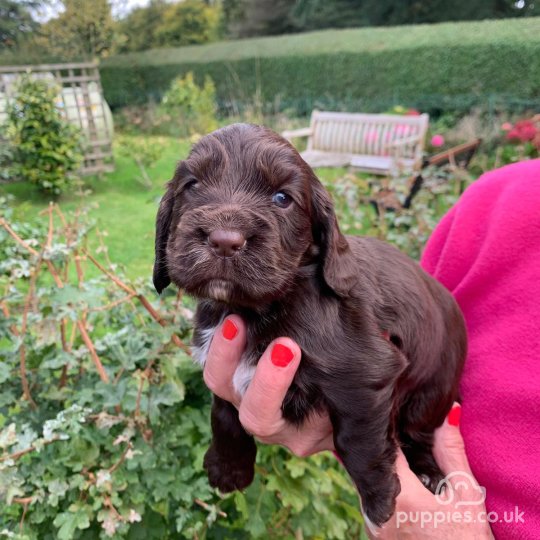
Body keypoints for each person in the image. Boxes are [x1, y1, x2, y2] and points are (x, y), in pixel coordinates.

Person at [202, 159, 540, 539]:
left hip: (425, 401)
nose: (226, 231)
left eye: (282, 197)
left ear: (321, 231)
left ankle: (420, 453)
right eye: (195, 187)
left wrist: (376, 476)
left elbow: (376, 370)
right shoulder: (493, 198)